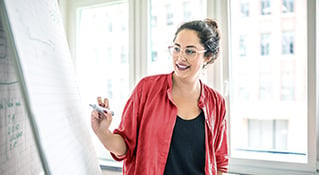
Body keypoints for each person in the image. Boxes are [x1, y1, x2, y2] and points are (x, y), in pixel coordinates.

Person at [91, 18, 228, 175]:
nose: (180, 57)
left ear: (207, 57)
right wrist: (103, 132)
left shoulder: (216, 102)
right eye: (177, 48)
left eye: (190, 51)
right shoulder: (147, 89)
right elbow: (125, 147)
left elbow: (219, 162)